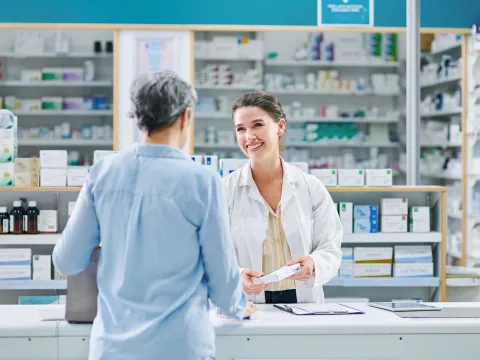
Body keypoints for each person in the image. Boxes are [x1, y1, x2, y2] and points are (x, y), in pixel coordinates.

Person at [53, 70, 254, 360]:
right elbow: (223, 284)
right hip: (180, 347)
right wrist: (238, 304)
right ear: (186, 116)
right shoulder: (202, 181)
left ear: (138, 117)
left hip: (113, 348)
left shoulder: (104, 173)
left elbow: (67, 260)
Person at [224, 90, 343, 304]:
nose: (249, 136)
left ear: (280, 127)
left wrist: (314, 264)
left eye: (258, 125)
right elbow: (215, 255)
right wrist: (238, 275)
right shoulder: (226, 191)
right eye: (241, 129)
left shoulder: (310, 187)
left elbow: (330, 248)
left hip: (303, 303)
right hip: (250, 304)